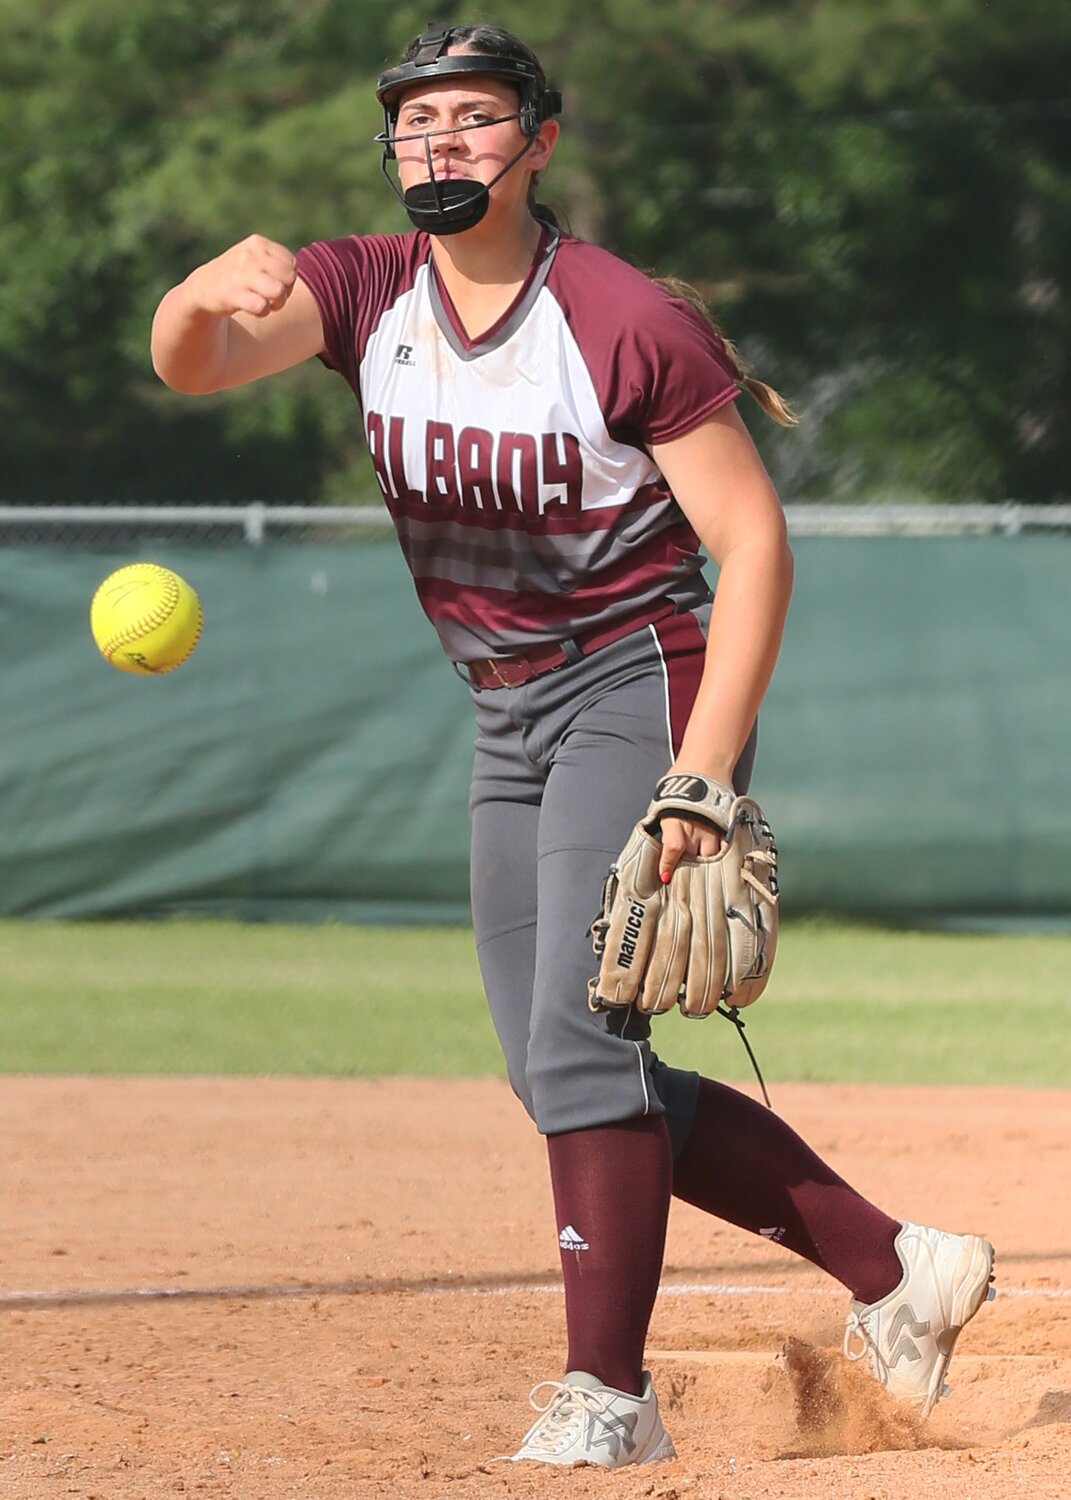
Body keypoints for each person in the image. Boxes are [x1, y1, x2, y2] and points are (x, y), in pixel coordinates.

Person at [151, 21, 995, 1469]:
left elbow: (751, 541)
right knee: (562, 1068)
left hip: (634, 678)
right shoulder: (362, 287)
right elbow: (198, 365)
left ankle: (608, 1395)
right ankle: (899, 1267)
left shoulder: (614, 317)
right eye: (415, 124)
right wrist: (192, 291)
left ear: (536, 141)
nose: (440, 146)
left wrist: (703, 776)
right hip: (503, 703)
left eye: (473, 119)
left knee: (578, 1037)